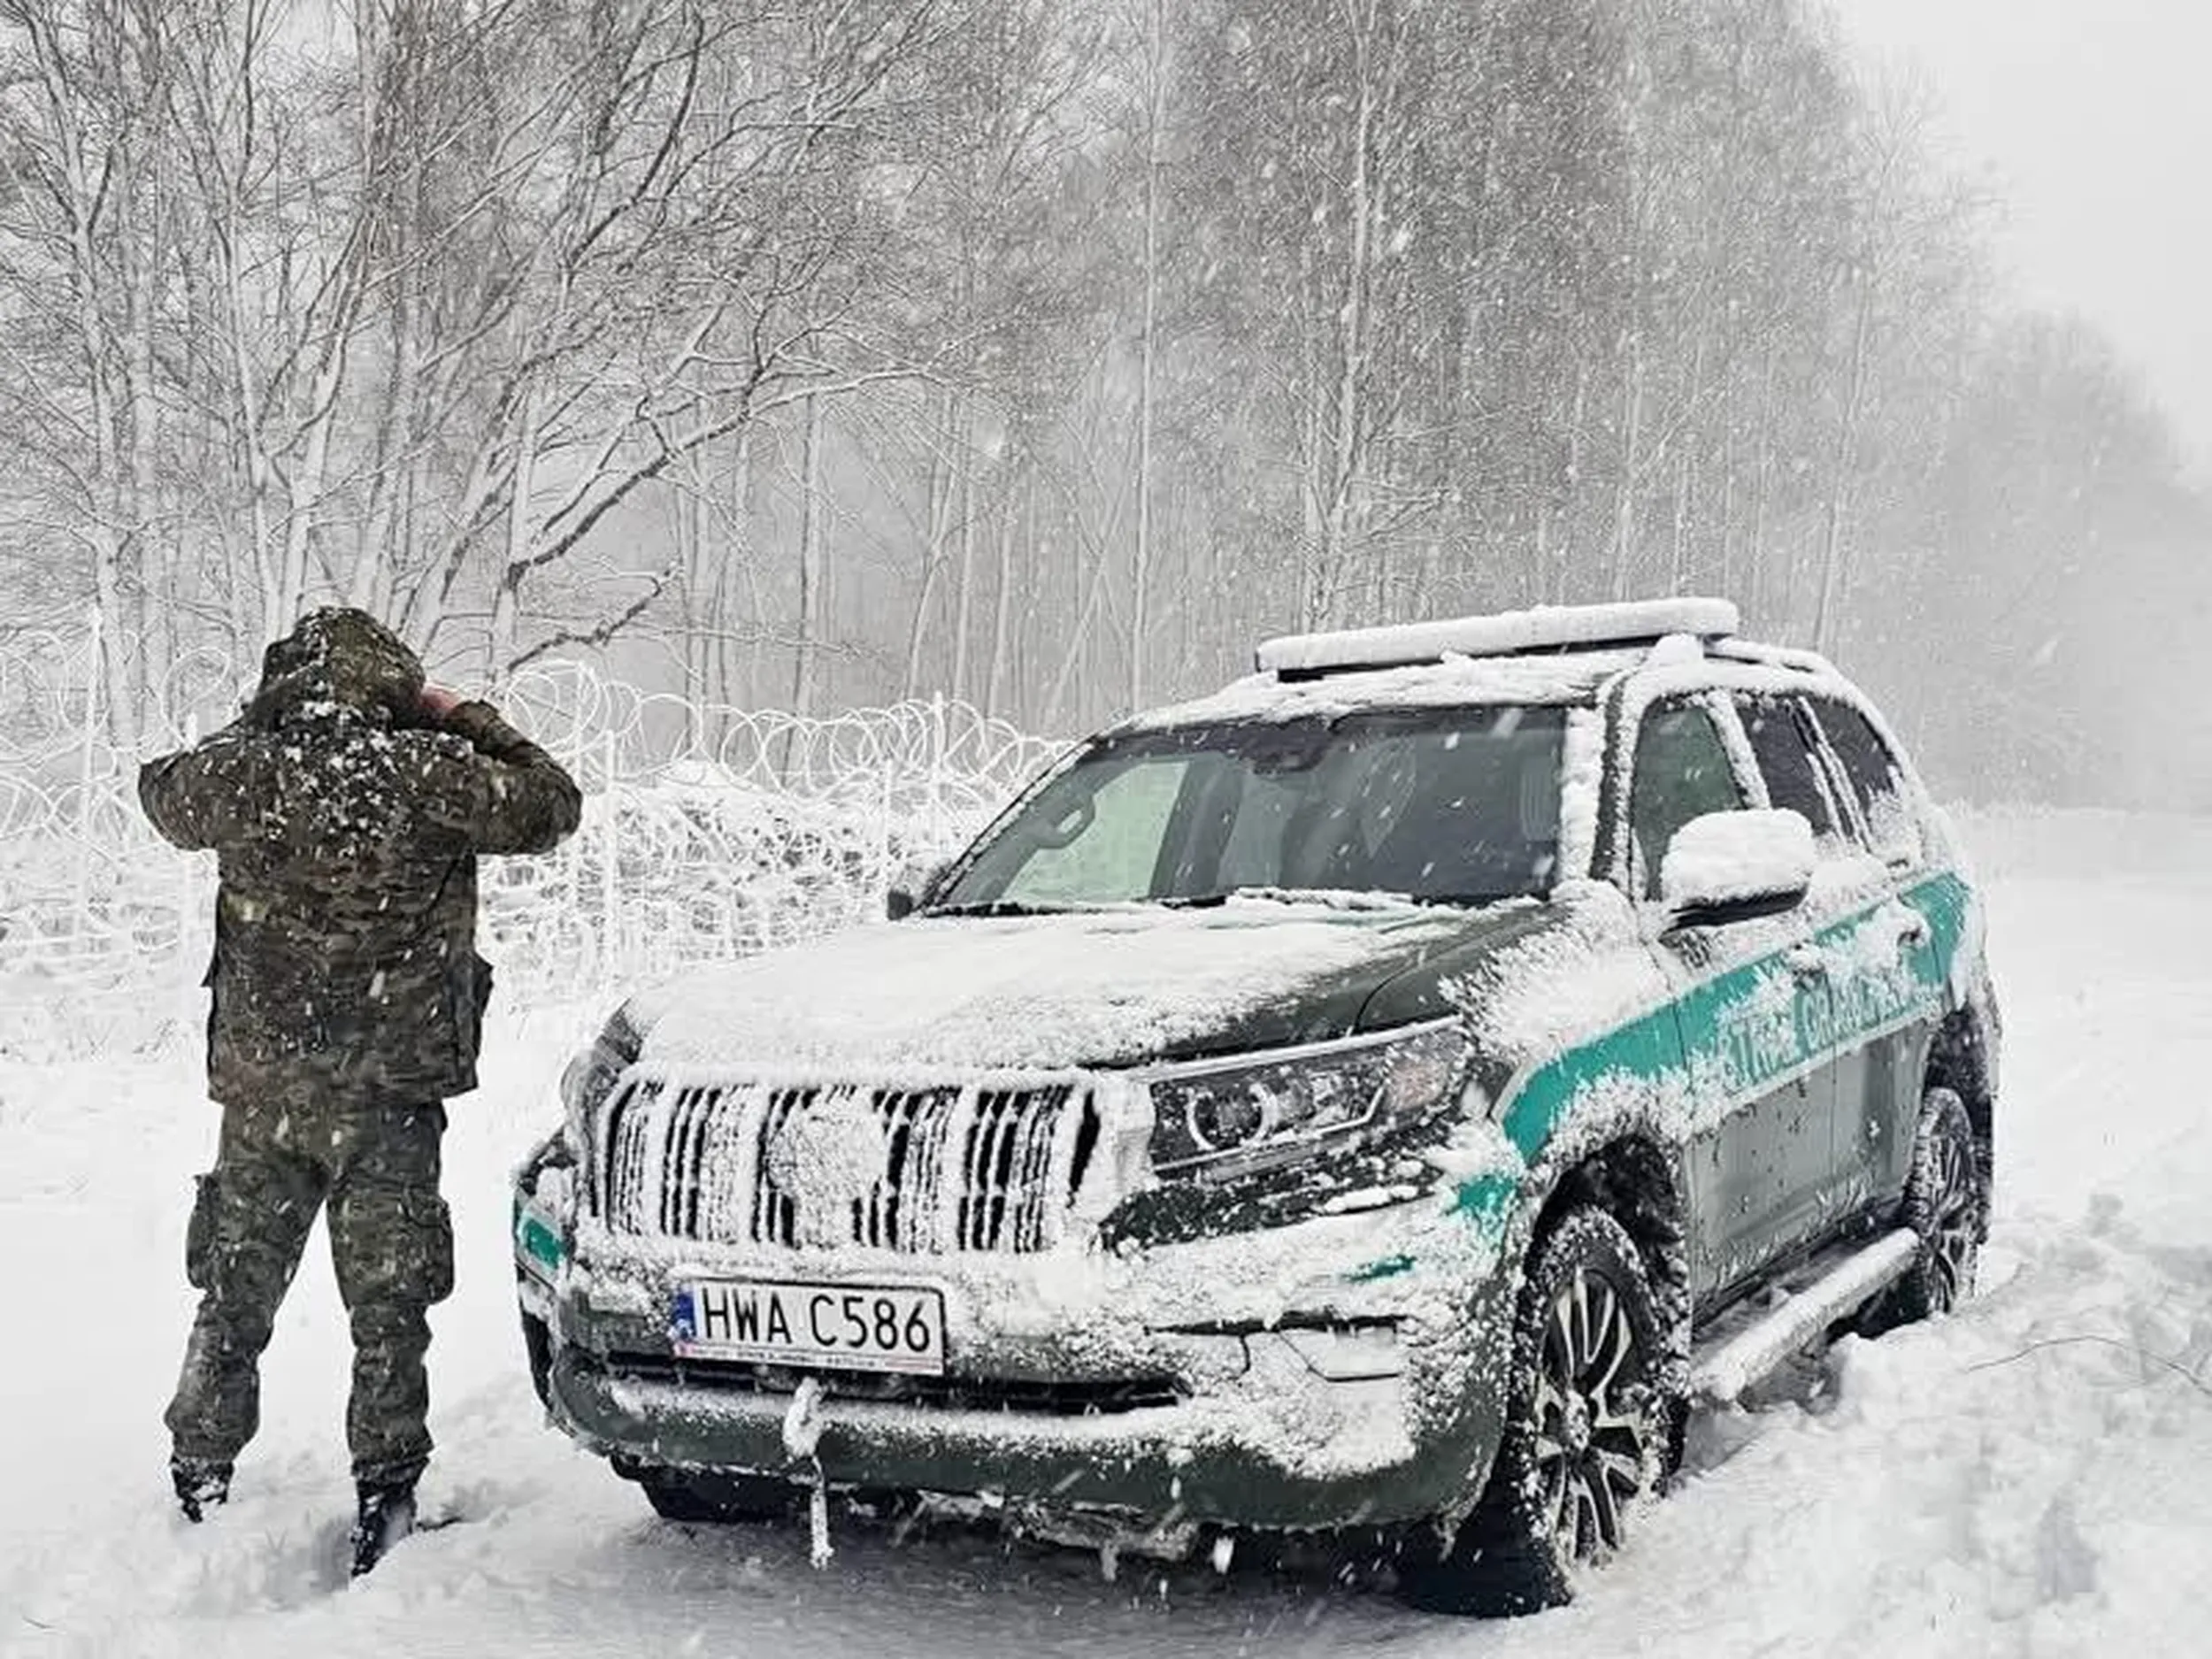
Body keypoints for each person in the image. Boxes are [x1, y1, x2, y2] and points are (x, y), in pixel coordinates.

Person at [139, 609, 581, 1575]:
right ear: (394, 686)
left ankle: (200, 1469)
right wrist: (463, 716)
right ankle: (387, 1494)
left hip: (266, 1089)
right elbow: (554, 802)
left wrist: (259, 726)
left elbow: (162, 793)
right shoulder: (432, 770)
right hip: (391, 1090)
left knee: (235, 1285)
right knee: (390, 1307)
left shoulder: (244, 771)